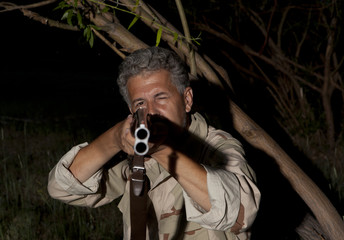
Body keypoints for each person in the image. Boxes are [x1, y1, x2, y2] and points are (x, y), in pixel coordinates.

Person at [47, 46, 261, 240]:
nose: (151, 110)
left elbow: (242, 213)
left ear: (187, 100)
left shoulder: (217, 146)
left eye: (160, 97)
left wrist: (161, 151)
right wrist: (114, 139)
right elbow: (62, 187)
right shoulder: (139, 159)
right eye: (140, 103)